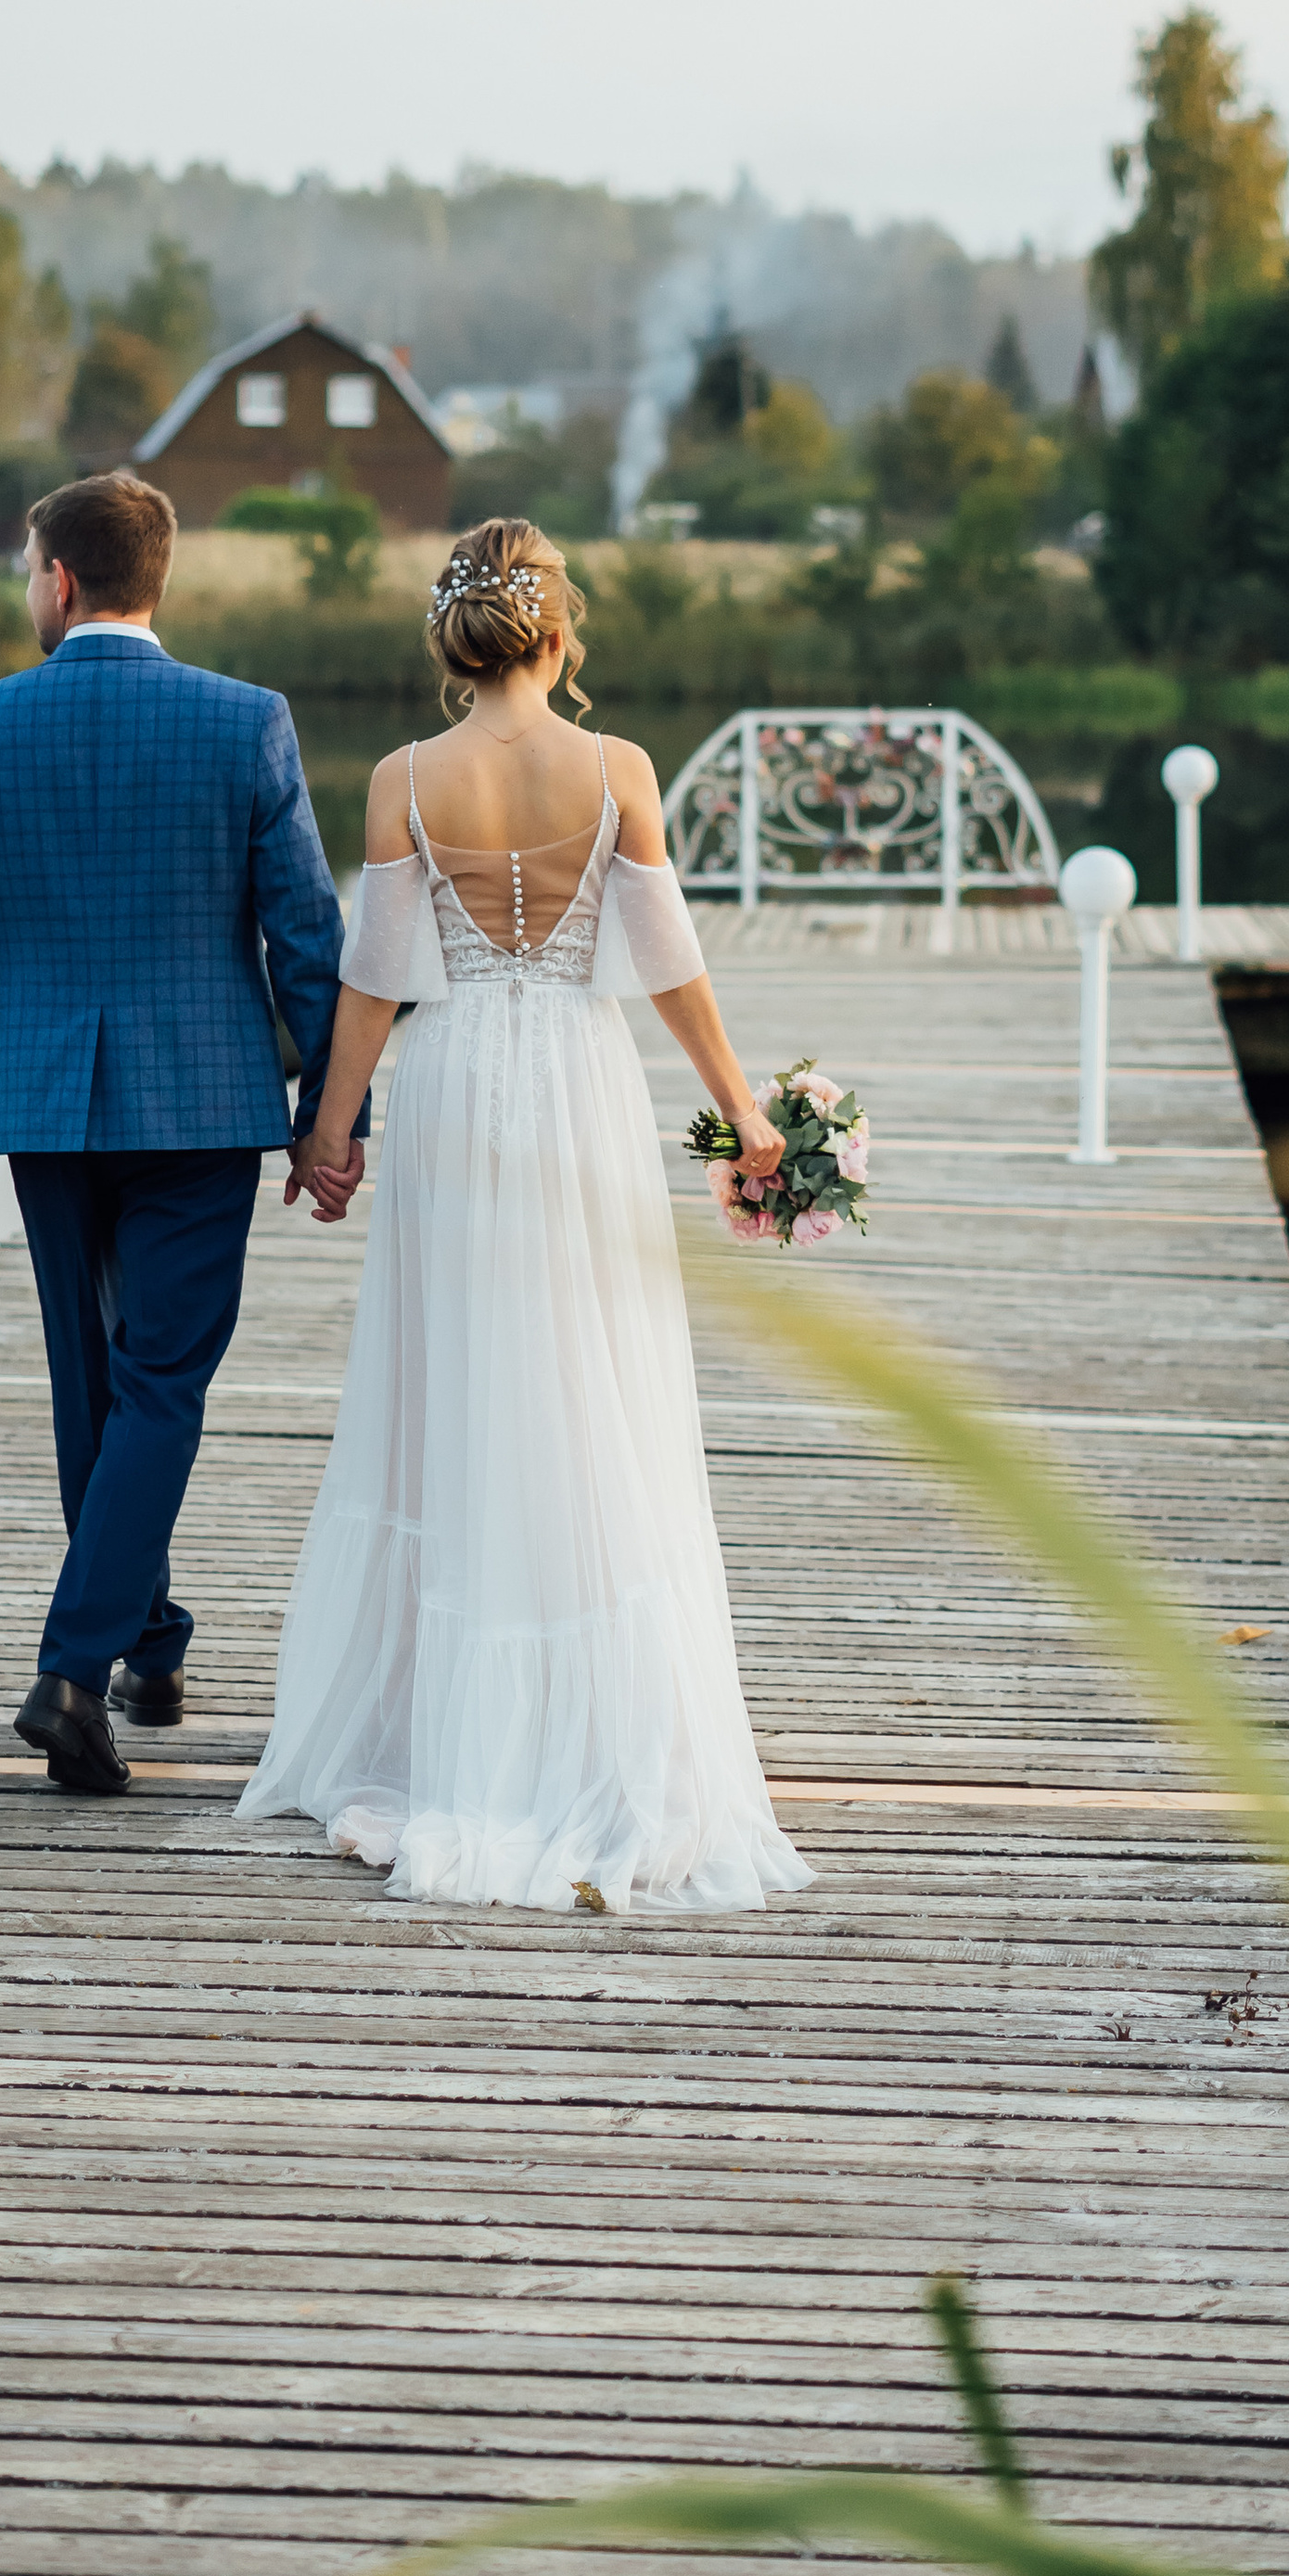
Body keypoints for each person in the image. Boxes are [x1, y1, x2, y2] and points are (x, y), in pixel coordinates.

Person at [238, 516, 812, 1918]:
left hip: (451, 1092)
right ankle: (591, 1729)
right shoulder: (618, 770)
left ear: (453, 640)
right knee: (587, 1372)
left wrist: (327, 1135)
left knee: (456, 1380)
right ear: (560, 633)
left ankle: (440, 1735)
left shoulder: (402, 781)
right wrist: (746, 1110)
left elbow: (372, 983)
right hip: (575, 1081)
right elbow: (670, 968)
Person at [0, 468, 363, 1797]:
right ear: (155, 578)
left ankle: (143, 1642)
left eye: (27, 569)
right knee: (159, 1383)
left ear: (58, 579)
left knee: (90, 1384)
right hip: (202, 1100)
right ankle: (76, 1666)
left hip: (44, 1104)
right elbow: (306, 939)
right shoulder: (246, 723)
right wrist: (330, 1118)